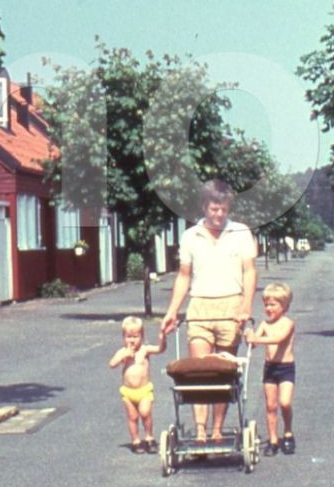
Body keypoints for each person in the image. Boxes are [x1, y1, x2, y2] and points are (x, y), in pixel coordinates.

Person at [159, 179, 257, 443]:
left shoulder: (241, 232)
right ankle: (200, 431)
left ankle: (217, 430)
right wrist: (172, 312)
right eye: (214, 209)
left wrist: (246, 305)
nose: (219, 214)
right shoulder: (190, 236)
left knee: (223, 373)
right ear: (204, 206)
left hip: (231, 307)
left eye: (224, 209)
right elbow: (183, 277)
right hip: (200, 307)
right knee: (199, 372)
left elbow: (249, 271)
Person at [246, 282, 297, 455]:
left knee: (285, 402)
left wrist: (256, 339)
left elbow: (278, 339)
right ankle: (273, 439)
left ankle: (288, 433)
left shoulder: (288, 324)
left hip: (286, 368)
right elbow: (253, 342)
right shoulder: (264, 324)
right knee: (270, 405)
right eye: (266, 304)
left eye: (273, 304)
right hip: (270, 368)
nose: (269, 308)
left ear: (284, 306)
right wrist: (249, 337)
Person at [107, 316, 166, 454]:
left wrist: (162, 337)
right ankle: (135, 440)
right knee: (132, 417)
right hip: (128, 392)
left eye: (136, 336)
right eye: (128, 337)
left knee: (145, 413)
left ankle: (149, 437)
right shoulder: (122, 352)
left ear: (142, 336)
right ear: (123, 337)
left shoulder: (144, 350)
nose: (132, 340)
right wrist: (123, 357)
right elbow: (112, 364)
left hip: (144, 390)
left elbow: (160, 349)